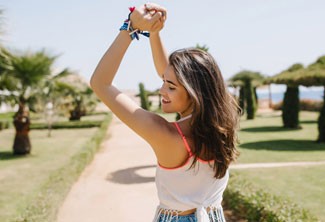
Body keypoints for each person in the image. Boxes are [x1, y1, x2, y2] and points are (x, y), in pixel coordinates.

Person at [90, 3, 239, 222]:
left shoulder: (167, 135)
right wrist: (154, 34)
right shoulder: (224, 122)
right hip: (213, 216)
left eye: (170, 86)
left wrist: (130, 28)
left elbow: (100, 83)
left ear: (193, 92)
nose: (162, 89)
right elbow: (172, 74)